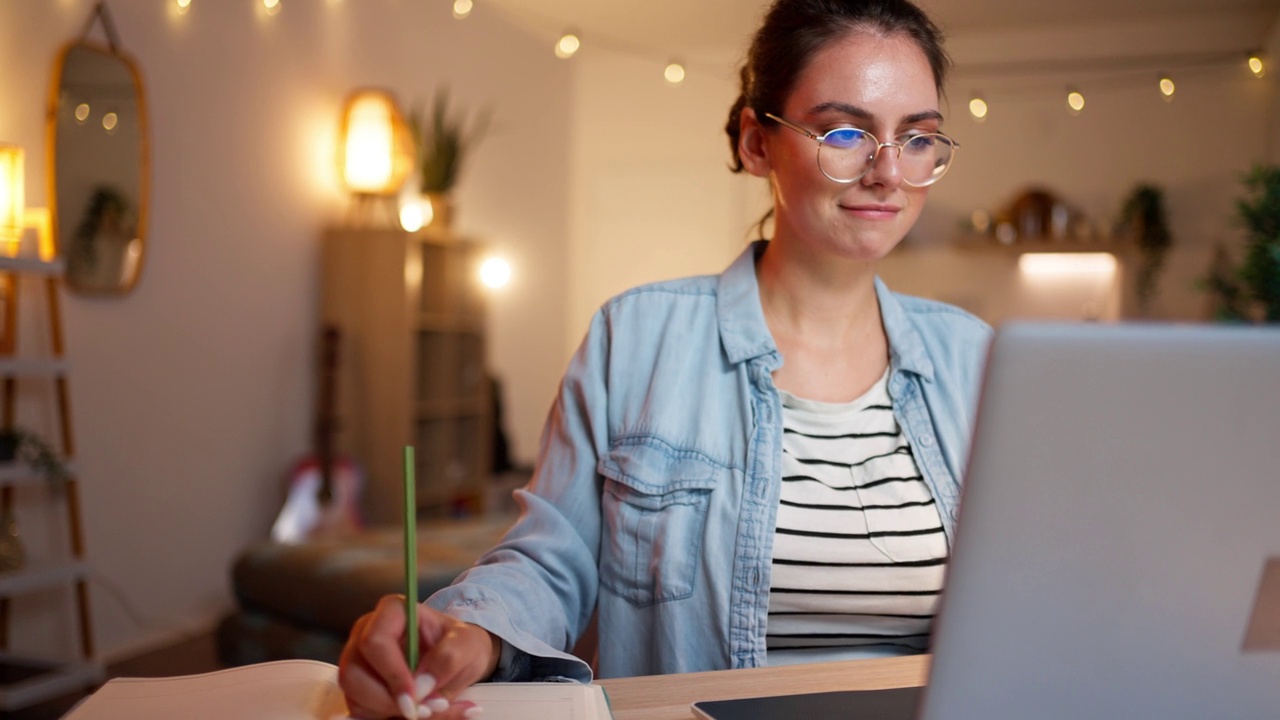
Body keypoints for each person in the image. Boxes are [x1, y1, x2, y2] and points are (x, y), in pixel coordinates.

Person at [338, 0, 992, 717]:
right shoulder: (637, 337)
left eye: (919, 138)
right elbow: (552, 558)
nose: (889, 173)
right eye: (845, 131)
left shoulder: (976, 359)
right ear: (756, 142)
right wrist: (467, 629)